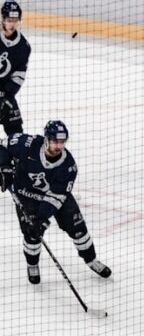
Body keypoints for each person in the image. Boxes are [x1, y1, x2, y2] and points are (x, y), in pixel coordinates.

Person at [0, 120, 111, 286]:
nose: (58, 146)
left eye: (62, 142)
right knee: (32, 235)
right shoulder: (28, 144)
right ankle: (32, 264)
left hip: (53, 197)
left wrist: (41, 218)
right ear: (46, 140)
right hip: (26, 194)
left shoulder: (68, 166)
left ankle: (91, 260)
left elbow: (56, 197)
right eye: (54, 142)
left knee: (78, 228)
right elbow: (3, 146)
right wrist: (4, 168)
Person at [0, 1, 30, 139]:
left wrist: (7, 97)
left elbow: (19, 75)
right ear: (2, 19)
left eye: (15, 20)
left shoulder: (23, 46)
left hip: (6, 95)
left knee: (17, 135)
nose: (12, 24)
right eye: (9, 20)